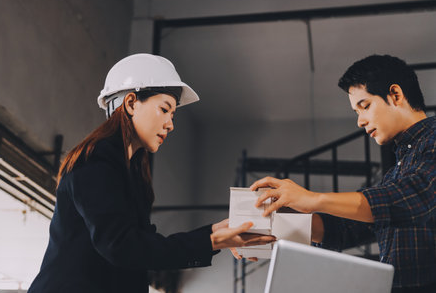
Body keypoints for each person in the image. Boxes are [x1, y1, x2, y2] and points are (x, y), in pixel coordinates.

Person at [28, 53, 275, 293]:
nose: (170, 123)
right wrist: (213, 241)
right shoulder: (95, 161)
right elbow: (121, 247)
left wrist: (213, 232)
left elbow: (143, 245)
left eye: (173, 113)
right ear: (132, 103)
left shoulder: (130, 171)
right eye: (164, 109)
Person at [249, 55, 435, 292]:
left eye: (364, 106)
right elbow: (346, 229)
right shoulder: (394, 175)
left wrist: (313, 199)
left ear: (395, 95)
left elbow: (416, 197)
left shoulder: (431, 142)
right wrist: (276, 224)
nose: (359, 121)